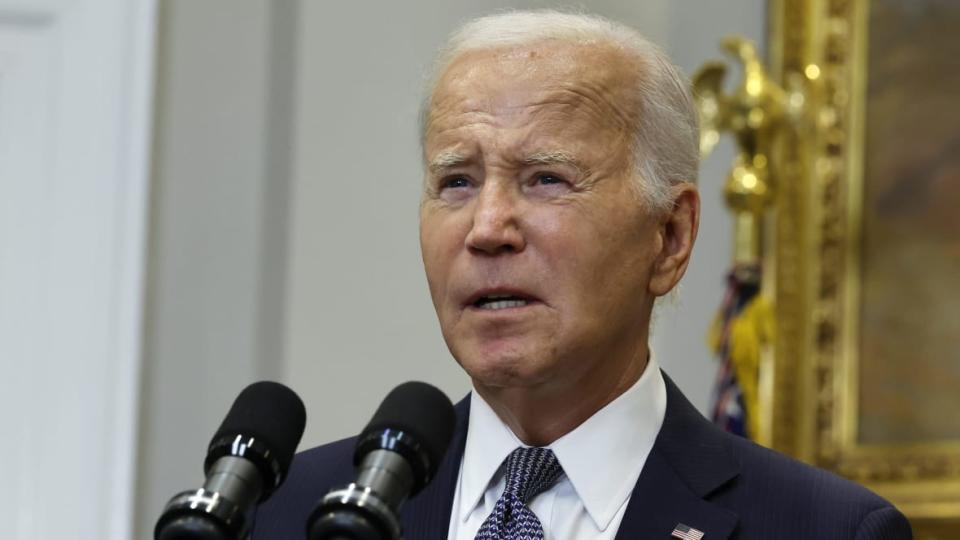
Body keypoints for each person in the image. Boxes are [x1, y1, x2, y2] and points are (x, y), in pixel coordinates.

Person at [254, 10, 911, 539]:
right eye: (456, 181)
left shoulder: (825, 528)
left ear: (671, 237)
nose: (486, 229)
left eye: (546, 179)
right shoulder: (293, 515)